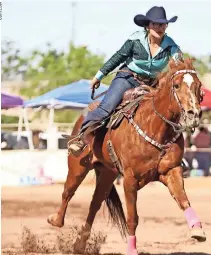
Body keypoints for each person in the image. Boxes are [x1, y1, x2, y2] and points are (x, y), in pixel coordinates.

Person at [69, 6, 183, 156]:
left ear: (166, 26)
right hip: (128, 78)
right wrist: (98, 76)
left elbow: (179, 64)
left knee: (166, 111)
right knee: (107, 108)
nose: (159, 28)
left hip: (151, 83)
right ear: (148, 26)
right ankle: (81, 138)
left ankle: (173, 155)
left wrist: (182, 71)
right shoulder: (135, 40)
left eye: (162, 24)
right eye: (155, 24)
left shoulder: (171, 46)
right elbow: (117, 58)